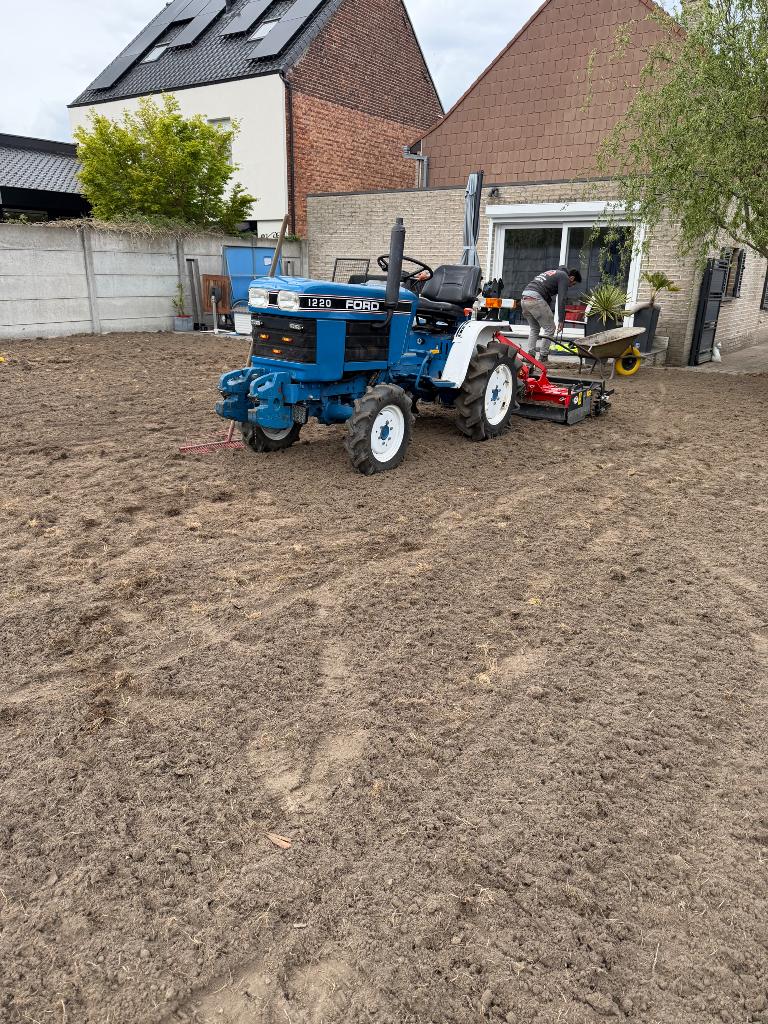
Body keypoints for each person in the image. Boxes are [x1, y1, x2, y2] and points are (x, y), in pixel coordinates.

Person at [521, 266, 582, 362]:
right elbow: (562, 299)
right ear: (572, 278)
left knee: (534, 328)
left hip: (525, 298)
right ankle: (543, 356)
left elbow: (546, 294)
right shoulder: (564, 277)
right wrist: (561, 320)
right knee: (550, 329)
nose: (570, 286)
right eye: (573, 284)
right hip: (535, 298)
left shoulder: (553, 273)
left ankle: (530, 356)